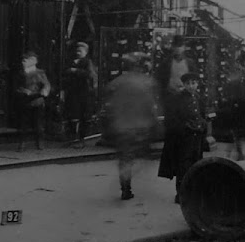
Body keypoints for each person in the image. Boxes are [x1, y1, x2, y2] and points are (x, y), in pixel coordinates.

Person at [102, 53, 160, 200]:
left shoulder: (116, 83)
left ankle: (125, 187)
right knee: (141, 154)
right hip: (141, 126)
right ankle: (131, 177)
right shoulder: (147, 83)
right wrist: (155, 122)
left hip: (122, 126)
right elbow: (151, 106)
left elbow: (109, 105)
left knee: (125, 157)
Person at [157, 73, 214, 203]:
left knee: (196, 163)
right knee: (183, 165)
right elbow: (172, 118)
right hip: (184, 138)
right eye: (188, 83)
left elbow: (202, 114)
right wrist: (184, 127)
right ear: (184, 84)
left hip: (197, 137)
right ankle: (181, 193)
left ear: (197, 84)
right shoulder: (177, 99)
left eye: (193, 83)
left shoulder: (199, 98)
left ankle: (193, 191)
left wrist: (203, 124)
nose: (191, 86)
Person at [62, 41, 98, 148]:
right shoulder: (70, 62)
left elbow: (90, 74)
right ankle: (72, 137)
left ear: (85, 52)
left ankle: (81, 139)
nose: (78, 53)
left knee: (83, 116)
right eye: (77, 51)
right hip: (72, 92)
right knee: (72, 115)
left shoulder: (87, 62)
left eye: (80, 51)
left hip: (84, 92)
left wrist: (76, 71)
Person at [16, 50, 51, 151]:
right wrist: (23, 91)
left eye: (25, 60)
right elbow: (17, 86)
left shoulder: (40, 73)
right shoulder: (21, 73)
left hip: (37, 100)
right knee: (24, 124)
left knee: (39, 124)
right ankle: (22, 143)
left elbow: (46, 84)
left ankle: (40, 142)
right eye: (23, 60)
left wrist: (45, 91)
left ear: (33, 61)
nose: (23, 62)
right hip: (25, 101)